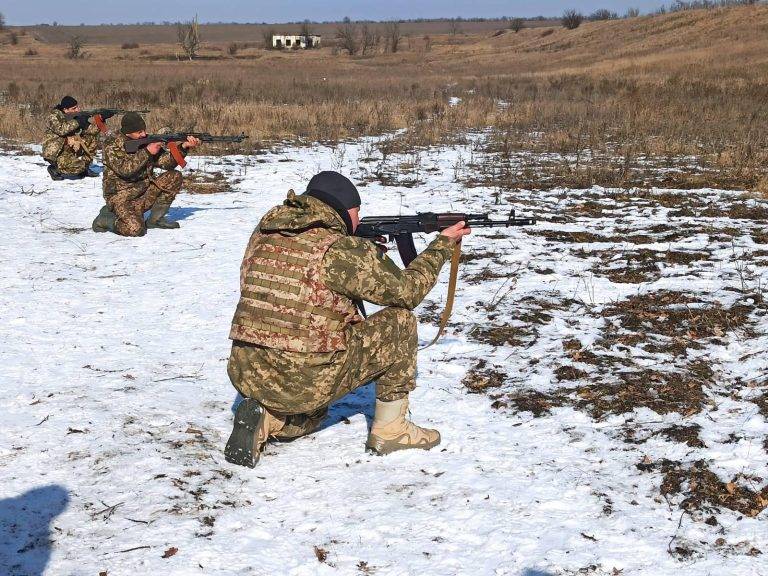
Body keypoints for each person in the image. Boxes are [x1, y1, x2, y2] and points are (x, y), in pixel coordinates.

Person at [224, 171, 470, 468]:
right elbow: (407, 292)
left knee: (312, 417)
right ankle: (391, 431)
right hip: (303, 377)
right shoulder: (341, 249)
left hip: (248, 370)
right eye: (357, 212)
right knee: (400, 321)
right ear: (343, 209)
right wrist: (442, 245)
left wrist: (365, 254)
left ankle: (267, 418)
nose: (358, 218)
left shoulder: (265, 232)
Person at [91, 112, 200, 236]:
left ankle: (155, 220)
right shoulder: (112, 144)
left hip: (144, 191)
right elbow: (124, 170)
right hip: (121, 198)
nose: (143, 134)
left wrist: (184, 147)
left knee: (174, 176)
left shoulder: (145, 140)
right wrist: (147, 152)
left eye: (144, 130)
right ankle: (105, 219)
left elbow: (166, 163)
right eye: (139, 132)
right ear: (127, 132)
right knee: (135, 229)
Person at [42, 96, 101, 180]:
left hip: (69, 149)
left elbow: (91, 131)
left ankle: (86, 167)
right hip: (57, 153)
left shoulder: (74, 117)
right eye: (74, 108)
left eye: (77, 107)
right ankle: (55, 169)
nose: (77, 110)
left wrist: (100, 120)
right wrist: (78, 121)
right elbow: (61, 130)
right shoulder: (54, 116)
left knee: (92, 139)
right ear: (65, 109)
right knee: (79, 167)